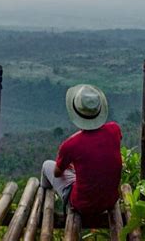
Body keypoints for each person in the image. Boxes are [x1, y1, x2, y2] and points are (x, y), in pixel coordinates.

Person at [40, 83, 122, 217]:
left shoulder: (71, 144)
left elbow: (57, 173)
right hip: (110, 201)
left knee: (46, 165)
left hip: (82, 205)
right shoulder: (115, 129)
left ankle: (42, 200)